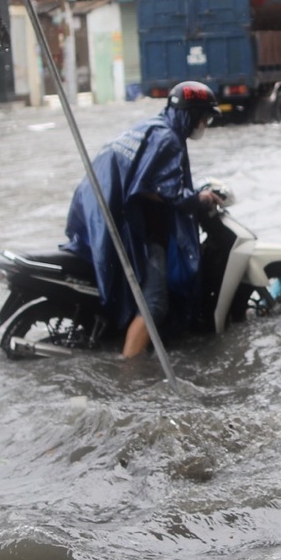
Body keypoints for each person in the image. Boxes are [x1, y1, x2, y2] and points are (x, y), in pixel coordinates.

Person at [63, 82, 221, 358]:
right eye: (204, 117)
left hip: (98, 212)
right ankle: (130, 375)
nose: (205, 124)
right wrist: (199, 199)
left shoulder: (152, 127)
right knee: (155, 303)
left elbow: (149, 181)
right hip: (133, 227)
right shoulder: (169, 140)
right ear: (191, 115)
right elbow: (165, 191)